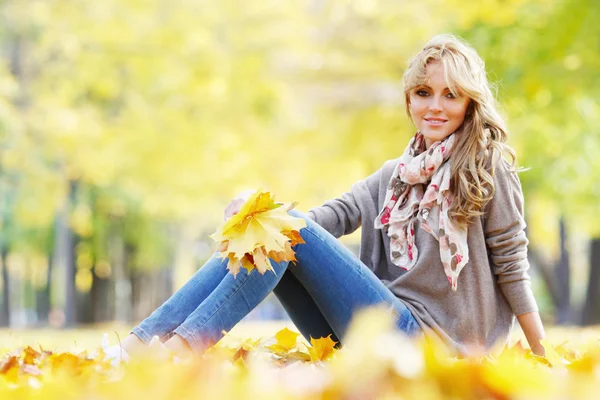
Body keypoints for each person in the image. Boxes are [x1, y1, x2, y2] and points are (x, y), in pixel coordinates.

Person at [119, 34, 546, 360]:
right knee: (273, 229)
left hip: (430, 348)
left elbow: (512, 265)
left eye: (450, 95)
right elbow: (325, 219)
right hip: (364, 340)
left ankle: (176, 349)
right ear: (409, 99)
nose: (435, 106)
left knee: (285, 228)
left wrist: (542, 356)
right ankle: (143, 344)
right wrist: (257, 208)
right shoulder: (392, 177)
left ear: (470, 102)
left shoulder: (487, 169)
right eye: (423, 93)